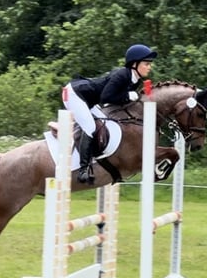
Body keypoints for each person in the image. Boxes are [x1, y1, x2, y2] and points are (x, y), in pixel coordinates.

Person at [62, 43, 157, 184]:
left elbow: (116, 102)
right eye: (146, 63)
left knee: (106, 123)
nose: (149, 67)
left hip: (89, 100)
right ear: (135, 64)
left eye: (150, 64)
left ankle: (102, 163)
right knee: (90, 127)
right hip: (75, 93)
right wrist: (127, 96)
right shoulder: (122, 75)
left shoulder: (135, 80)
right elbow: (106, 98)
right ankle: (83, 170)